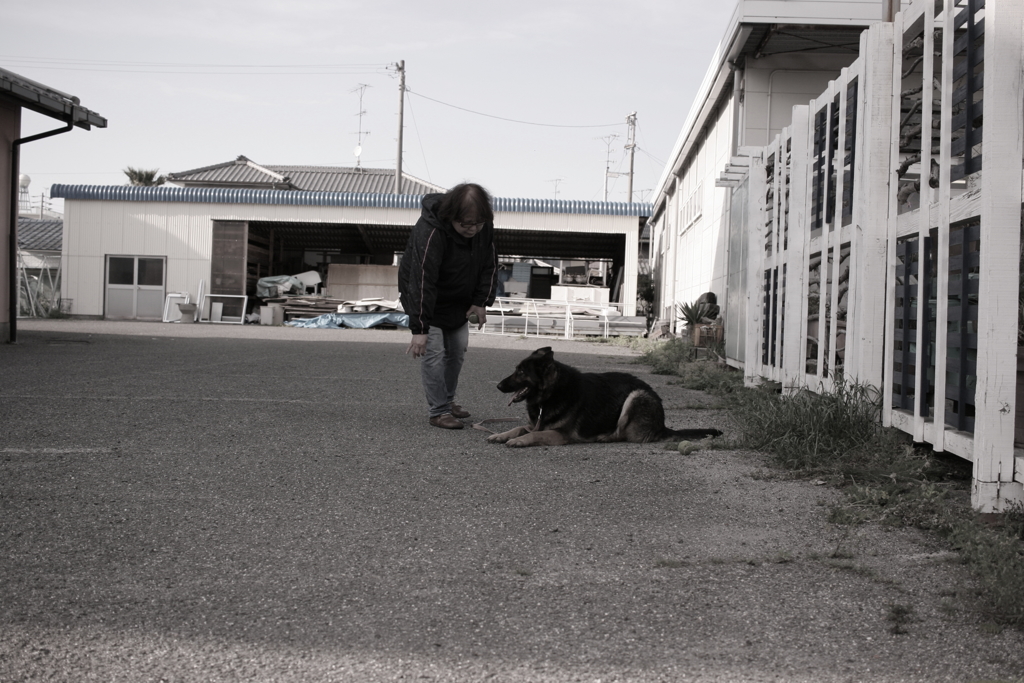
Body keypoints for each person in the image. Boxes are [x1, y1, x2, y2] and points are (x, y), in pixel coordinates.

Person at [399, 183, 499, 429]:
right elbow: (422, 278)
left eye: (478, 223)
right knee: (433, 354)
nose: (473, 229)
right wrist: (420, 328)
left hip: (460, 302)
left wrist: (480, 302)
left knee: (457, 351)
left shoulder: (483, 230)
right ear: (451, 216)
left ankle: (448, 401)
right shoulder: (431, 230)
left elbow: (490, 265)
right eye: (466, 224)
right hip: (427, 301)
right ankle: (439, 412)